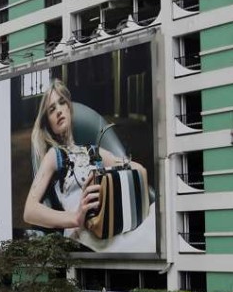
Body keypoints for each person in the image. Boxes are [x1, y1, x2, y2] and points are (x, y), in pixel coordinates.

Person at [22, 79, 151, 252]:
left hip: (110, 223)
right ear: (49, 123)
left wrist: (127, 171)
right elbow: (29, 211)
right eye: (52, 110)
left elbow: (134, 167)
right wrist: (75, 218)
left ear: (69, 108)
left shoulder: (93, 151)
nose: (59, 111)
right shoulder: (55, 155)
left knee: (156, 220)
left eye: (62, 104)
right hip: (85, 234)